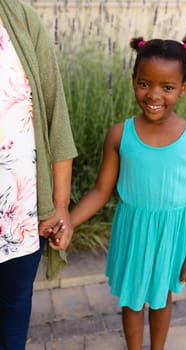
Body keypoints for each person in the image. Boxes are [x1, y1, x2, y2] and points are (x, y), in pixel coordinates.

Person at [52, 31, 186, 350]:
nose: (154, 94)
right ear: (132, 80)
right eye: (144, 83)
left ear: (184, 88)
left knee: (161, 296)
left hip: (172, 233)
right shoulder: (119, 135)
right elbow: (100, 191)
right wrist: (67, 221)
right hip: (134, 230)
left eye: (167, 87)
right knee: (133, 299)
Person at [0, 1, 77, 349]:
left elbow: (54, 116)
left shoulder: (19, 17)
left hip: (20, 219)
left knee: (13, 315)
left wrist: (59, 205)